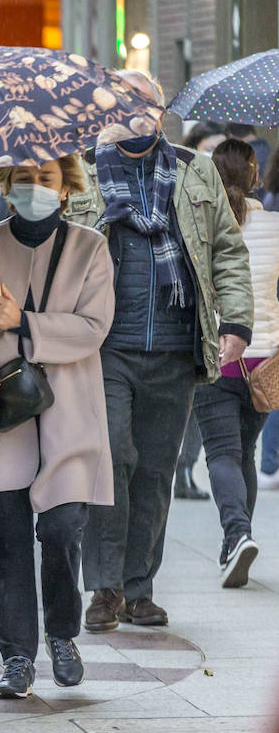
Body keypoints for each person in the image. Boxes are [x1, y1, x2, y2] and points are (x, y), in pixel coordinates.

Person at [73, 70, 253, 633]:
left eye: (146, 102)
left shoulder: (193, 170)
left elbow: (226, 248)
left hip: (176, 346)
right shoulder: (83, 173)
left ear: (161, 110)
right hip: (105, 346)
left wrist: (238, 320)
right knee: (113, 460)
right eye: (124, 102)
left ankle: (138, 588)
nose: (136, 111)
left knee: (153, 469)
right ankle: (104, 588)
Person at [0, 154, 116, 699]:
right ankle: (17, 656)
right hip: (4, 417)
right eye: (24, 178)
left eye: (46, 178)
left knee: (63, 530)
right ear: (6, 185)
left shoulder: (90, 247)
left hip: (69, 414)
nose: (35, 187)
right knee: (11, 538)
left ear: (66, 189)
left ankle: (62, 635)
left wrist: (24, 323)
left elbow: (93, 328)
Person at [192, 139, 279, 587]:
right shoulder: (277, 228)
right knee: (243, 449)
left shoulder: (205, 229)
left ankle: (237, 534)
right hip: (265, 364)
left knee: (223, 452)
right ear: (254, 175)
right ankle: (238, 539)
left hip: (219, 358)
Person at [173, 122, 227, 501]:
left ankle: (186, 469)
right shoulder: (185, 188)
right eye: (209, 149)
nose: (215, 156)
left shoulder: (228, 204)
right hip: (190, 322)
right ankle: (181, 469)